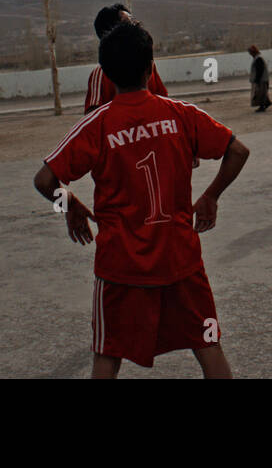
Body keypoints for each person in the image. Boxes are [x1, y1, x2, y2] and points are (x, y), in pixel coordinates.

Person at [33, 21, 250, 378]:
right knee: (208, 344)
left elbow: (44, 179)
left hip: (121, 267)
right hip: (180, 259)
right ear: (151, 68)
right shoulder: (181, 114)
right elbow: (238, 151)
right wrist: (211, 196)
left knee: (107, 354)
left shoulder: (98, 124)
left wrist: (68, 203)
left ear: (105, 73)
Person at [85, 4, 168, 114]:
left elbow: (162, 101)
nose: (136, 25)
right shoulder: (100, 73)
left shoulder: (147, 64)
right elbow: (92, 113)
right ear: (112, 32)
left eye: (133, 20)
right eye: (128, 22)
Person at [248, 45, 271, 112]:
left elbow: (260, 71)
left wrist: (257, 80)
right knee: (262, 93)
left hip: (262, 80)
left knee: (260, 94)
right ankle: (267, 103)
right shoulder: (258, 58)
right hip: (263, 79)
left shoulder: (258, 59)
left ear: (253, 52)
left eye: (250, 52)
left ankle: (262, 106)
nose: (250, 54)